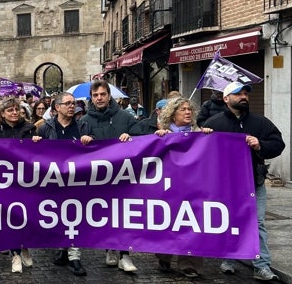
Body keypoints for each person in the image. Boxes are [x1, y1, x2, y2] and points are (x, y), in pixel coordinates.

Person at [204, 82, 285, 281]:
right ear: (226, 99)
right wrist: (203, 137)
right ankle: (229, 258)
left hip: (253, 183)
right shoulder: (213, 123)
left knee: (257, 223)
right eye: (238, 94)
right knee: (228, 221)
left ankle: (262, 265)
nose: (244, 97)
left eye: (246, 93)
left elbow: (278, 144)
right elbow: (203, 155)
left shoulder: (260, 123)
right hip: (224, 185)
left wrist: (260, 145)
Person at [78, 80, 138, 273]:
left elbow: (143, 138)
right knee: (106, 216)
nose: (99, 98)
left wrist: (131, 137)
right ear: (91, 98)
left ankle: (125, 254)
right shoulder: (85, 121)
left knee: (124, 215)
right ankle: (110, 249)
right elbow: (77, 150)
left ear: (109, 95)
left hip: (124, 177)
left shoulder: (125, 117)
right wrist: (85, 141)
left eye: (103, 94)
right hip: (99, 179)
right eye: (95, 95)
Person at [149, 97, 212, 279]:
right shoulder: (164, 134)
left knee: (193, 223)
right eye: (183, 109)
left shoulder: (198, 132)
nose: (187, 112)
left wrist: (207, 136)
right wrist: (158, 140)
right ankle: (164, 256)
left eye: (189, 109)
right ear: (173, 114)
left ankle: (190, 264)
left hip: (194, 187)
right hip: (169, 188)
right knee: (169, 223)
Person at [37, 92, 90, 276]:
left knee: (74, 217)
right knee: (59, 216)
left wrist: (89, 141)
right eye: (67, 103)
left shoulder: (83, 125)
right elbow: (35, 154)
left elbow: (96, 150)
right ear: (57, 107)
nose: (71, 106)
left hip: (76, 181)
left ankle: (74, 256)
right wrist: (35, 142)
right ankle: (62, 248)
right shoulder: (45, 128)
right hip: (54, 181)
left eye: (73, 103)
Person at [0, 98, 37, 273]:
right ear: (3, 113)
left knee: (26, 217)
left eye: (16, 109)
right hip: (5, 182)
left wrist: (37, 142)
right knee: (10, 219)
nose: (14, 112)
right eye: (10, 110)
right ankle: (15, 254)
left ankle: (24, 247)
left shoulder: (29, 129)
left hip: (25, 181)